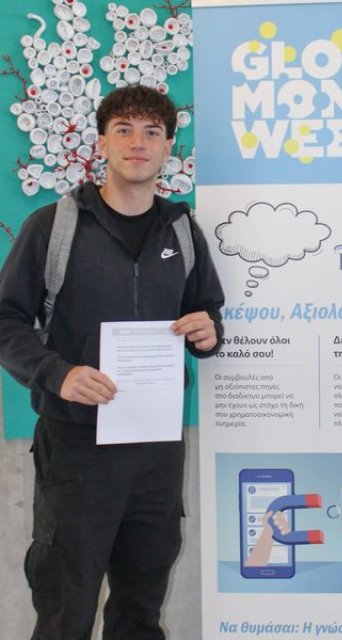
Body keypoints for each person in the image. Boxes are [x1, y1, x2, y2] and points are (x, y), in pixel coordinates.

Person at [0, 85, 224, 639]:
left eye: (152, 132)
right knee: (65, 613)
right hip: (77, 450)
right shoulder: (52, 227)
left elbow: (207, 312)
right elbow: (6, 320)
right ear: (102, 142)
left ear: (168, 146)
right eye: (123, 129)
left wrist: (207, 333)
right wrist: (57, 374)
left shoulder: (182, 230)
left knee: (139, 613)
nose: (138, 143)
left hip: (156, 454)